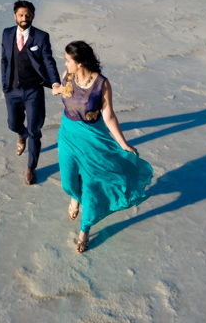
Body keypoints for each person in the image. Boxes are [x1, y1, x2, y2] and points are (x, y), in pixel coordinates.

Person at [52, 41, 153, 253]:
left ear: (79, 63)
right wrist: (58, 89)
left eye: (68, 60)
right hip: (68, 136)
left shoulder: (102, 84)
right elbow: (67, 94)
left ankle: (84, 230)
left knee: (90, 186)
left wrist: (123, 143)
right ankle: (74, 197)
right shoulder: (67, 75)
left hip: (92, 140)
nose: (65, 63)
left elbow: (108, 116)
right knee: (68, 181)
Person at [0, 0, 62, 185]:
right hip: (12, 89)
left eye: (28, 15)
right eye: (21, 15)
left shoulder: (41, 37)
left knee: (35, 130)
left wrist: (56, 83)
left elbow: (49, 61)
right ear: (15, 16)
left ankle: (31, 168)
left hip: (33, 90)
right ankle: (21, 134)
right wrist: (5, 84)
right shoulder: (7, 33)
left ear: (33, 16)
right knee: (13, 124)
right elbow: (4, 59)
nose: (24, 18)